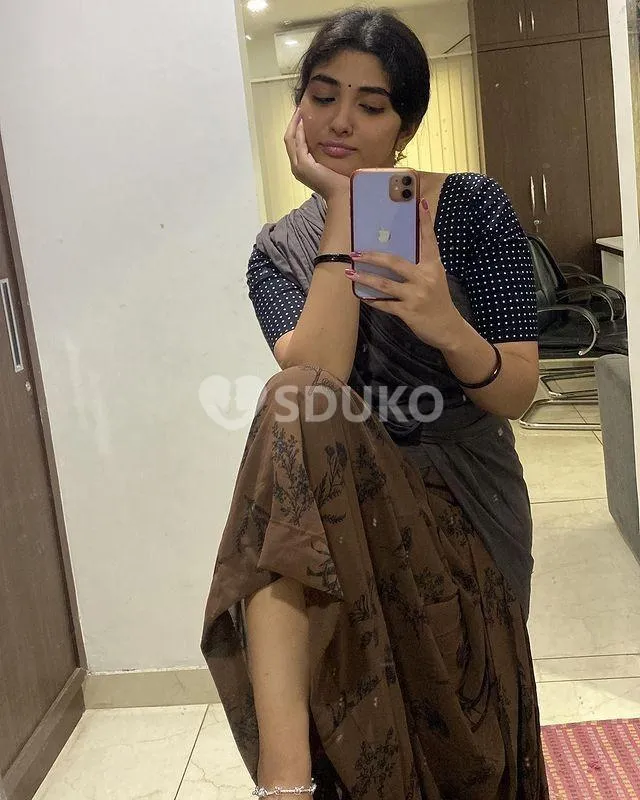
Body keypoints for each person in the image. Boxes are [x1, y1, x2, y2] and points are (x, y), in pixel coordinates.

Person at [202, 8, 549, 799]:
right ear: (297, 108)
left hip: (462, 494)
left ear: (406, 128)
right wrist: (342, 210)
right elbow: (318, 379)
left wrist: (446, 324)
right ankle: (285, 782)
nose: (340, 121)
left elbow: (518, 391)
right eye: (323, 97)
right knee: (293, 402)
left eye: (371, 104)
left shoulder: (472, 209)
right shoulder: (277, 252)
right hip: (341, 503)